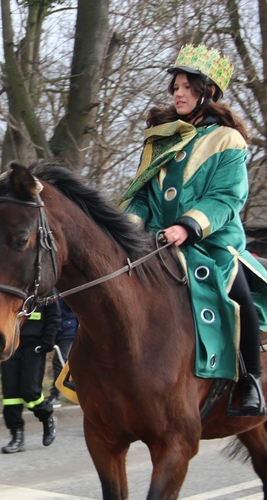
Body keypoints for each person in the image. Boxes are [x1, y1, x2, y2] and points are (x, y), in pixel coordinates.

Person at [120, 44, 267, 415]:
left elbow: (226, 197)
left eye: (188, 86)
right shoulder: (160, 138)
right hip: (155, 240)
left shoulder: (227, 140)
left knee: (238, 297)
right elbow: (141, 197)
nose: (179, 93)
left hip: (212, 241)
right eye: (175, 87)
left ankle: (250, 380)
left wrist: (188, 226)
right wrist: (127, 229)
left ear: (208, 91)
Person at [0, 297, 61, 453]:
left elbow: (54, 317)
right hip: (11, 344)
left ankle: (47, 417)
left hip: (34, 347)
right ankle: (17, 437)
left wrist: (47, 342)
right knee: (10, 395)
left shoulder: (44, 289)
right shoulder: (10, 284)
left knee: (30, 392)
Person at [46, 298, 77, 408]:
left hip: (68, 331)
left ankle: (55, 395)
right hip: (55, 330)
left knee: (59, 361)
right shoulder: (52, 289)